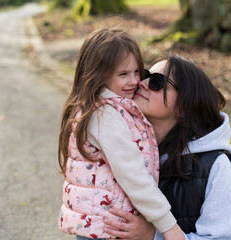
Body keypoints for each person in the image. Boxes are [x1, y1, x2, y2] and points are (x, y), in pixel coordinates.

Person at [102, 53, 231, 239]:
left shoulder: (216, 168)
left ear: (183, 105)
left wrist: (153, 236)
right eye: (145, 75)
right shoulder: (122, 143)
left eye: (156, 82)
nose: (141, 82)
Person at [57, 28, 184, 240]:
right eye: (123, 74)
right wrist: (169, 226)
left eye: (137, 72)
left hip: (104, 224)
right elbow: (132, 175)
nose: (134, 81)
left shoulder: (105, 108)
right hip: (107, 228)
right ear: (98, 74)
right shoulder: (105, 116)